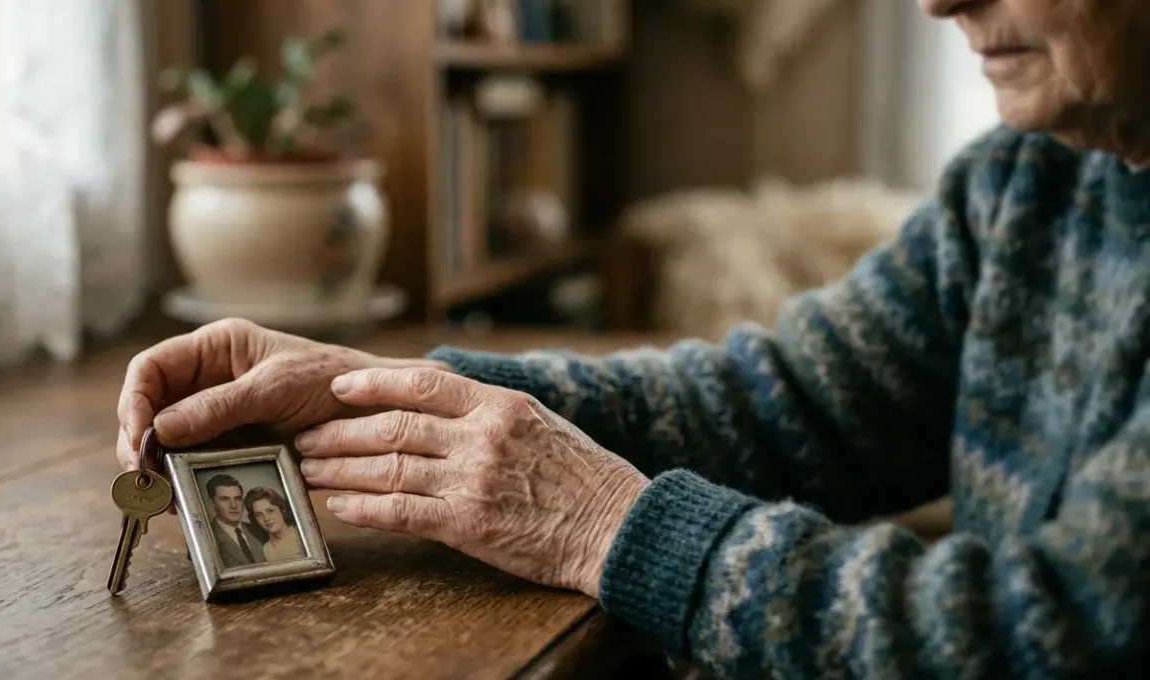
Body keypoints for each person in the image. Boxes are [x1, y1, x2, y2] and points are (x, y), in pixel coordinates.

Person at [116, 0, 1150, 675]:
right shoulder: (1026, 181)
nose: (939, 2)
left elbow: (1052, 637)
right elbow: (788, 400)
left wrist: (609, 525)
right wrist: (385, 388)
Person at [206, 474, 264, 568]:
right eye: (225, 499)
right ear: (212, 503)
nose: (233, 506)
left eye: (238, 498)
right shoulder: (205, 537)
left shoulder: (259, 530)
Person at [244, 486, 304, 562]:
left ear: (282, 510)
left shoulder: (301, 537)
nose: (266, 518)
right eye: (259, 515)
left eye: (270, 511)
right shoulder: (265, 549)